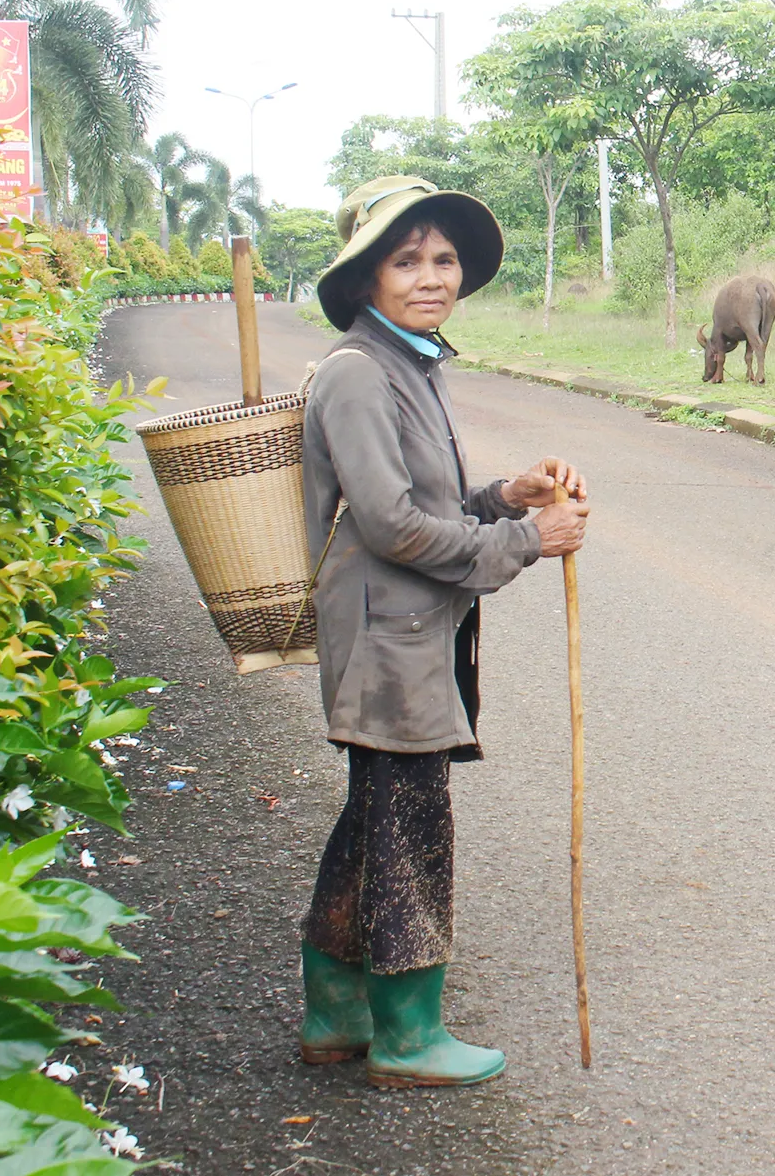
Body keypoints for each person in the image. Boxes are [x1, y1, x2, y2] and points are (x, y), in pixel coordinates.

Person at [296, 175, 589, 1088]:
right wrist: (527, 541)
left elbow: (426, 502)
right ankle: (408, 1035)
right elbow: (390, 526)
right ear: (365, 278)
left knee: (374, 822)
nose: (432, 276)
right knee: (410, 831)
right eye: (406, 260)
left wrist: (505, 497)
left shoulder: (408, 363)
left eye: (445, 259)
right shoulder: (356, 371)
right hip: (385, 639)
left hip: (408, 631)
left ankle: (335, 1011)